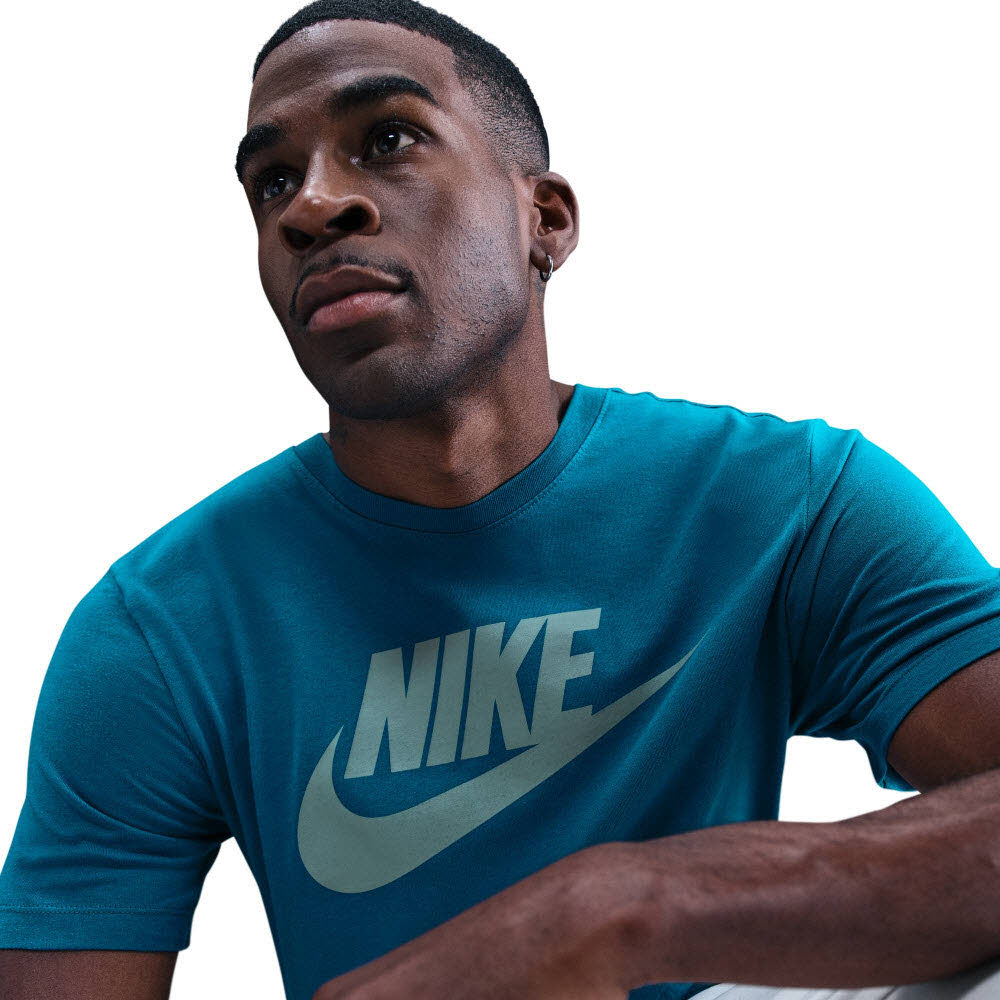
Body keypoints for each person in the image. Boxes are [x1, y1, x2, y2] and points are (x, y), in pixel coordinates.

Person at [2, 2, 1000, 999]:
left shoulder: (788, 500)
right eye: (273, 182)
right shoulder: (162, 627)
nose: (313, 206)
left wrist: (620, 910)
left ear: (545, 221)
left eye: (386, 139)